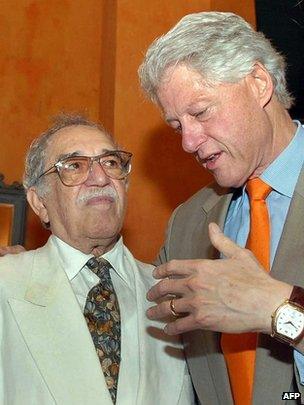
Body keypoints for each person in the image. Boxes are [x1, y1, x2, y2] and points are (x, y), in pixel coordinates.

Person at [138, 11, 304, 405]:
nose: (188, 142)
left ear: (259, 84)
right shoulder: (187, 223)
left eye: (200, 112)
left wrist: (276, 309)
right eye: (178, 125)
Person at [0, 114, 194, 405]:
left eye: (111, 163)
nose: (101, 177)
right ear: (40, 203)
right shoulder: (6, 284)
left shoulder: (176, 294)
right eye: (75, 166)